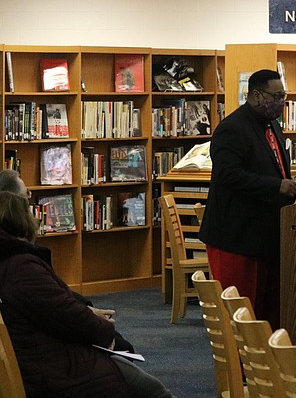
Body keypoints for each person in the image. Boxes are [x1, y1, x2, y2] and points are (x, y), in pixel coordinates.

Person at [0, 191, 174, 398]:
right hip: (55, 369)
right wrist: (104, 328)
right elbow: (66, 316)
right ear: (20, 221)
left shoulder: (12, 263)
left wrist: (87, 311)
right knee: (153, 390)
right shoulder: (21, 268)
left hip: (40, 355)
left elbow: (53, 307)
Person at [199, 69, 296, 328]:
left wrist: (291, 185)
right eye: (277, 96)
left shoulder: (272, 126)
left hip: (267, 237)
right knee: (241, 315)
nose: (282, 102)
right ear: (257, 95)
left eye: (284, 95)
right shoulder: (232, 128)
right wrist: (277, 186)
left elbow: (273, 167)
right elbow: (229, 175)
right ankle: (239, 368)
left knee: (268, 313)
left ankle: (265, 367)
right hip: (236, 238)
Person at [0, 169, 135, 353]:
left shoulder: (15, 255)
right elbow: (58, 310)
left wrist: (85, 308)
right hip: (46, 353)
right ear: (13, 207)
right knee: (129, 359)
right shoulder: (20, 265)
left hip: (40, 343)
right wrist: (97, 323)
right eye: (27, 196)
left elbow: (53, 296)